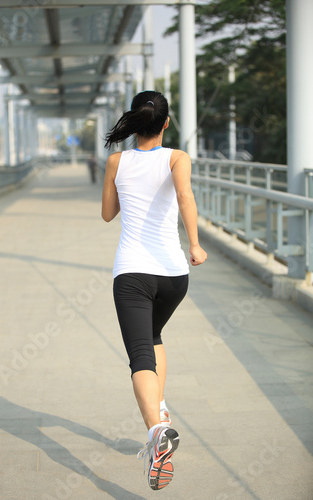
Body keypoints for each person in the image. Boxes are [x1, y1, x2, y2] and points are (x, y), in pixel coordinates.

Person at [101, 90, 207, 491]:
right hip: (174, 275)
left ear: (134, 122)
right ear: (165, 123)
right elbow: (184, 197)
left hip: (132, 273)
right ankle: (160, 407)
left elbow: (108, 214)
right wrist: (195, 245)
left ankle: (156, 433)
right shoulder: (177, 157)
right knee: (154, 336)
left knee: (139, 355)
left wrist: (125, 187)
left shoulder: (116, 161)